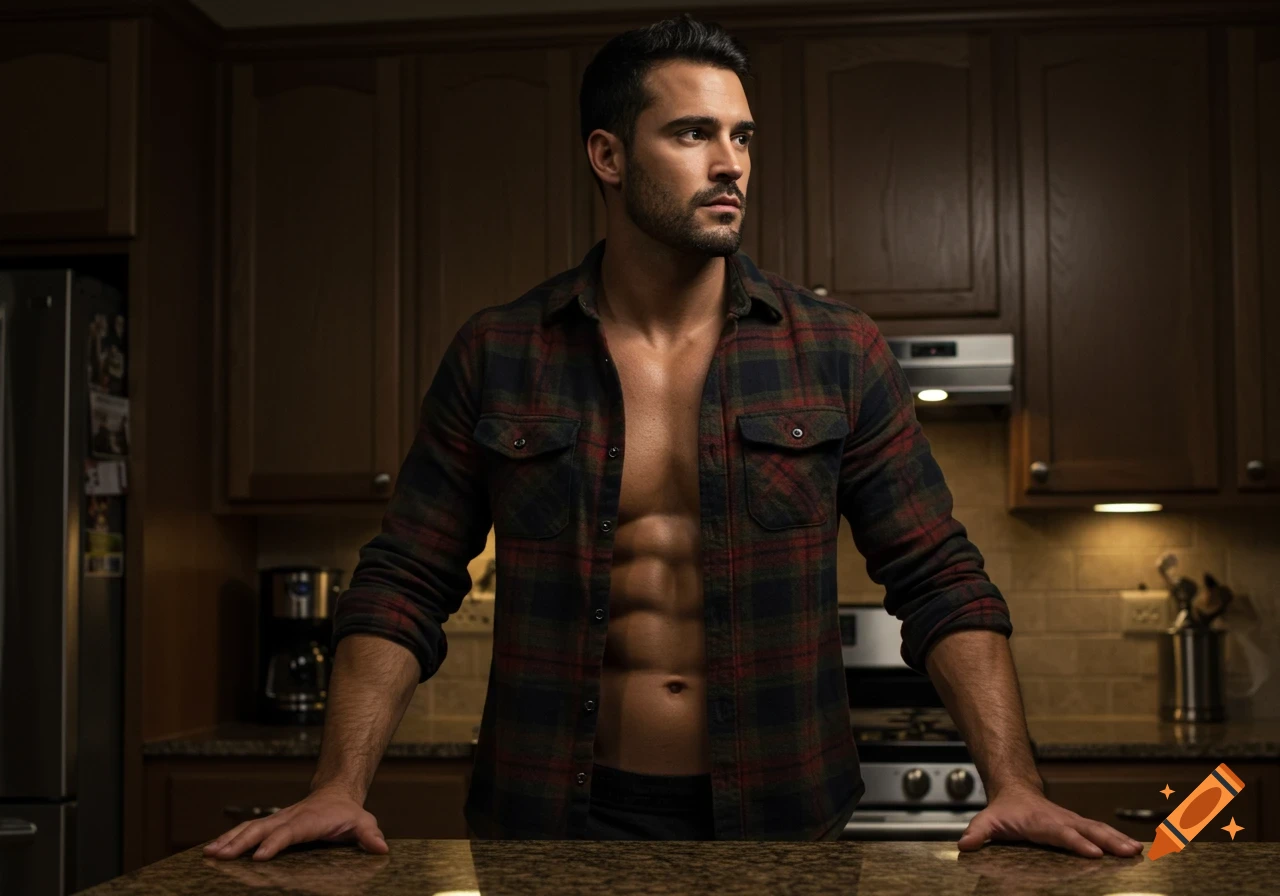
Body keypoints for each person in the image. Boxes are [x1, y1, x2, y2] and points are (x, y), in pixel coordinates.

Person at [206, 14, 1144, 860]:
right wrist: (338, 785)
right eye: (693, 133)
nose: (731, 162)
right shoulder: (500, 353)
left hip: (784, 822)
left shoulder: (835, 350)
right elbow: (406, 579)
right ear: (609, 156)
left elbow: (938, 575)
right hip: (549, 827)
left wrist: (1013, 782)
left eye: (741, 136)